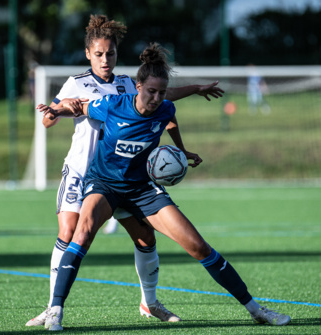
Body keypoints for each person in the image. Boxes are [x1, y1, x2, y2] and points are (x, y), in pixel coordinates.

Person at [37, 42, 291, 331]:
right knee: (80, 234)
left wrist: (183, 151)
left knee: (198, 246)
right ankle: (55, 309)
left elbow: (170, 119)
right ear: (138, 87)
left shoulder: (165, 108)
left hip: (143, 189)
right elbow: (80, 106)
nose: (156, 98)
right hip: (104, 185)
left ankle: (255, 309)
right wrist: (59, 109)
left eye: (161, 92)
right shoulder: (112, 105)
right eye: (151, 92)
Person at [26, 14, 224, 327]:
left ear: (118, 55)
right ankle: (53, 308)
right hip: (82, 172)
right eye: (100, 54)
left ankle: (150, 302)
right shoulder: (76, 83)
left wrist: (195, 90)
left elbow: (163, 99)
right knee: (70, 233)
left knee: (145, 237)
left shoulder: (125, 84)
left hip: (123, 176)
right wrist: (53, 112)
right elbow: (51, 117)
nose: (106, 60)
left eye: (112, 54)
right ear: (88, 54)